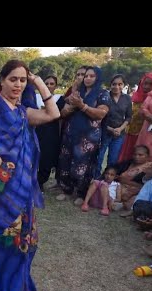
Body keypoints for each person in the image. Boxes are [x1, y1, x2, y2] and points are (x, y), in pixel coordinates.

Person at [0, 60, 60, 291]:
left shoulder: (22, 111)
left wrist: (38, 81)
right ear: (2, 80)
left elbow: (54, 113)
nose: (18, 84)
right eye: (13, 79)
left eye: (22, 80)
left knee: (18, 233)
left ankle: (2, 280)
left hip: (20, 184)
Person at [57, 66, 110, 205]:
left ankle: (81, 193)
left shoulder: (103, 93)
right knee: (66, 161)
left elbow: (101, 114)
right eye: (86, 76)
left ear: (97, 77)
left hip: (88, 137)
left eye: (91, 76)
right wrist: (72, 104)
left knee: (84, 165)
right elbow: (63, 112)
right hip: (71, 133)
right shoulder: (77, 92)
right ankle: (66, 190)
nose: (87, 78)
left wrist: (82, 106)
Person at [95, 74, 132, 178]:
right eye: (114, 84)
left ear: (124, 85)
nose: (117, 87)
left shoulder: (127, 98)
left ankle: (107, 181)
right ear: (110, 85)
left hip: (119, 134)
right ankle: (96, 179)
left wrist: (120, 129)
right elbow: (100, 117)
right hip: (104, 132)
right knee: (99, 158)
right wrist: (111, 129)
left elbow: (129, 117)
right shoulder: (105, 97)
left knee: (113, 160)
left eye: (120, 84)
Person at [118, 73, 152, 162]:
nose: (147, 87)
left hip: (147, 136)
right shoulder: (134, 97)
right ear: (141, 83)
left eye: (151, 84)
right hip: (129, 134)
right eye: (145, 83)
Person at [35, 76, 62, 191]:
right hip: (36, 130)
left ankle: (40, 182)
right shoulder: (35, 97)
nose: (49, 86)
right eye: (46, 83)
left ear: (56, 86)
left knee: (46, 158)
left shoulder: (60, 99)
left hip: (51, 132)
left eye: (52, 83)